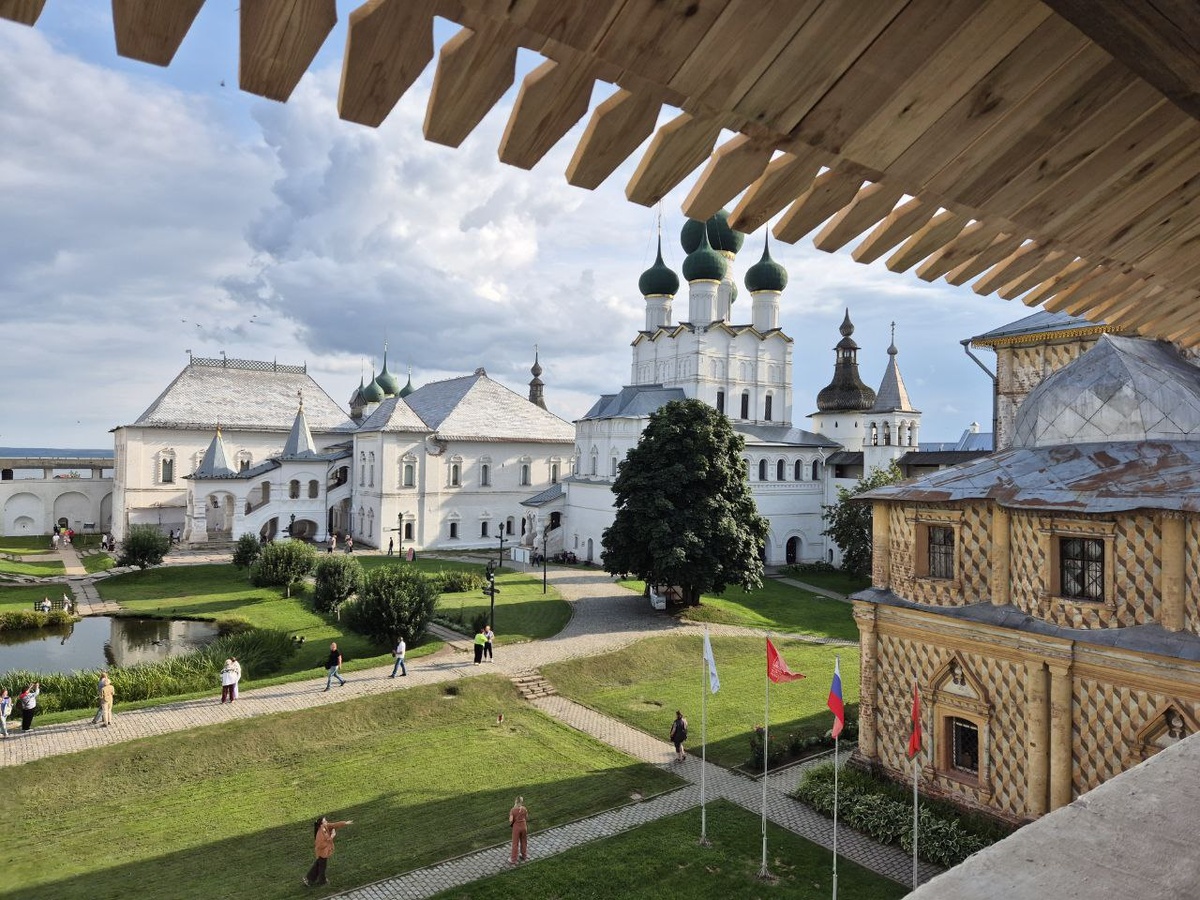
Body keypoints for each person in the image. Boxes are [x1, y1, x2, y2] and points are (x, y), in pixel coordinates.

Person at [303, 816, 352, 887]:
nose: (327, 822)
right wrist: (332, 836)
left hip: (323, 853)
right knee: (322, 867)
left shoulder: (324, 827)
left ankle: (310, 879)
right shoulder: (320, 834)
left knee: (318, 865)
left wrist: (345, 823)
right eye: (325, 821)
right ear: (321, 824)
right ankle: (321, 880)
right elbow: (321, 845)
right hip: (322, 853)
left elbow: (334, 825)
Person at [508, 796, 529, 863]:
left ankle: (513, 859)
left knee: (515, 843)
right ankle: (524, 855)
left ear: (515, 801)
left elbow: (511, 820)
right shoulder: (524, 809)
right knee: (524, 841)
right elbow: (526, 817)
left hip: (516, 828)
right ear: (522, 802)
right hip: (524, 827)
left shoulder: (513, 810)